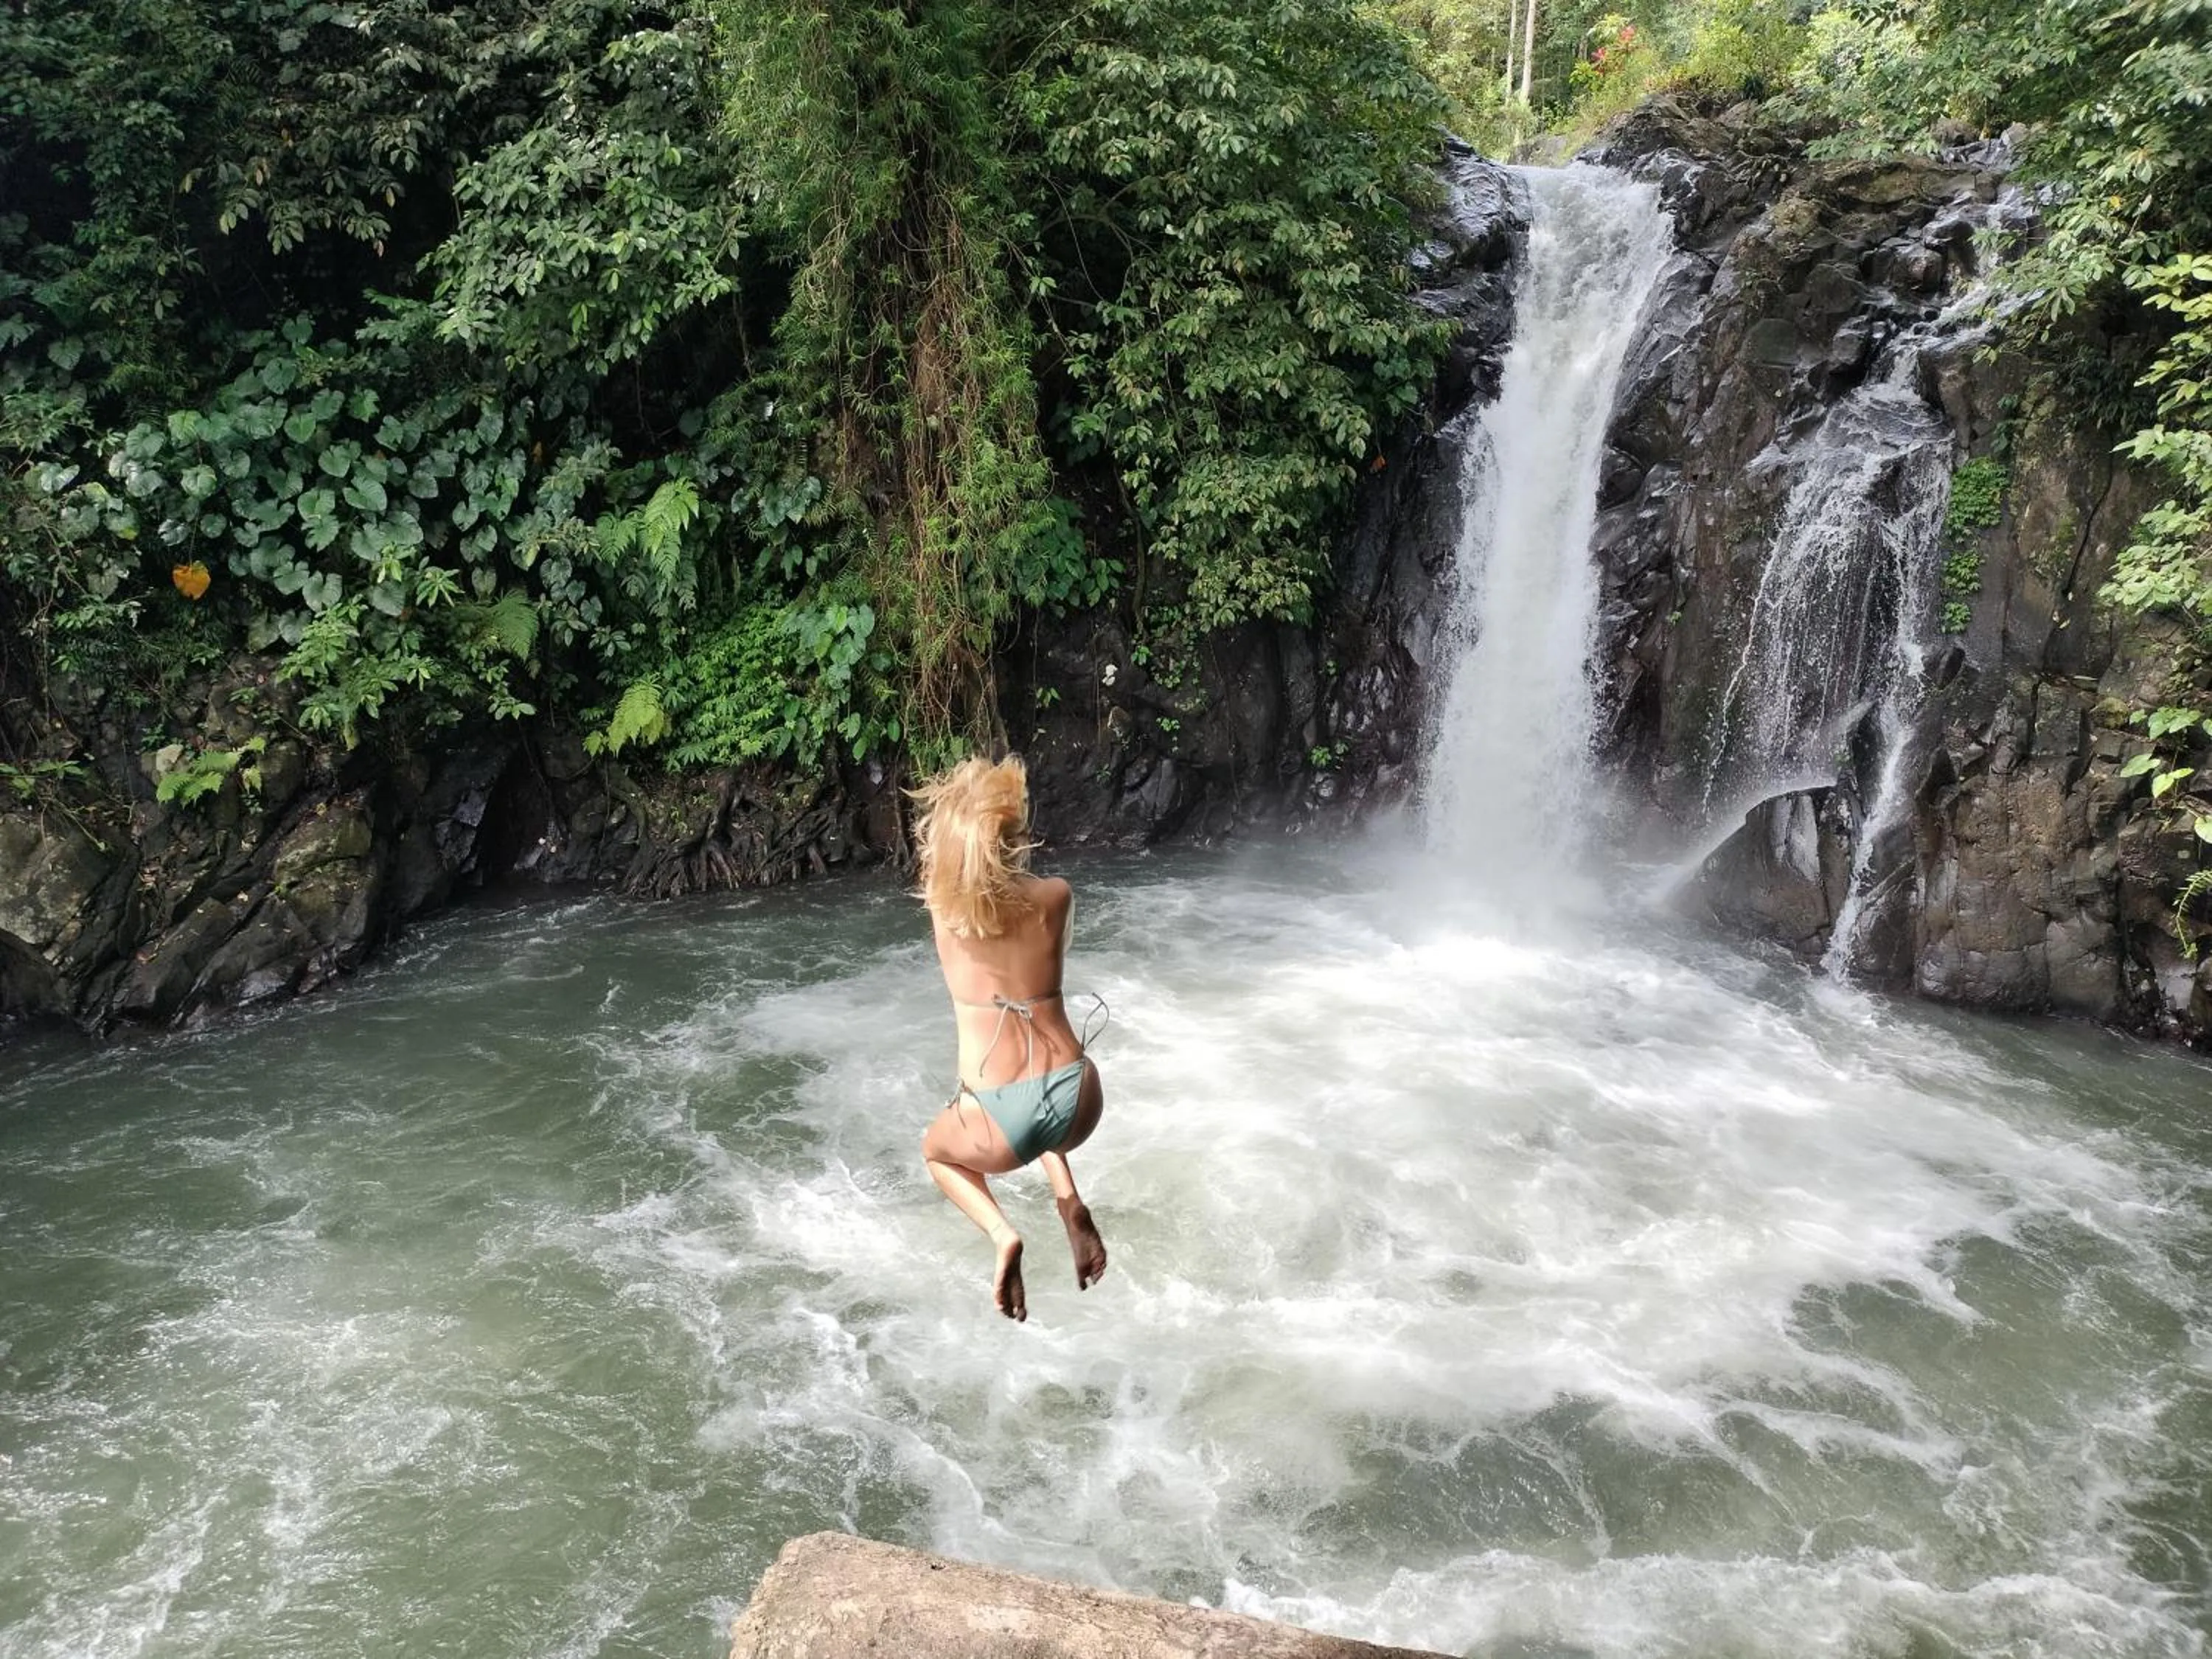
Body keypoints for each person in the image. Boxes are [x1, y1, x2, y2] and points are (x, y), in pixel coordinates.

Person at [911, 754, 1107, 1322]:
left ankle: (1003, 1236)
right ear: (1017, 835)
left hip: (998, 1122)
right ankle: (1068, 1201)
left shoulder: (946, 914)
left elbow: (953, 881)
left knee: (936, 1153)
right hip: (1078, 1094)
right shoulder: (1057, 896)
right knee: (1038, 1100)